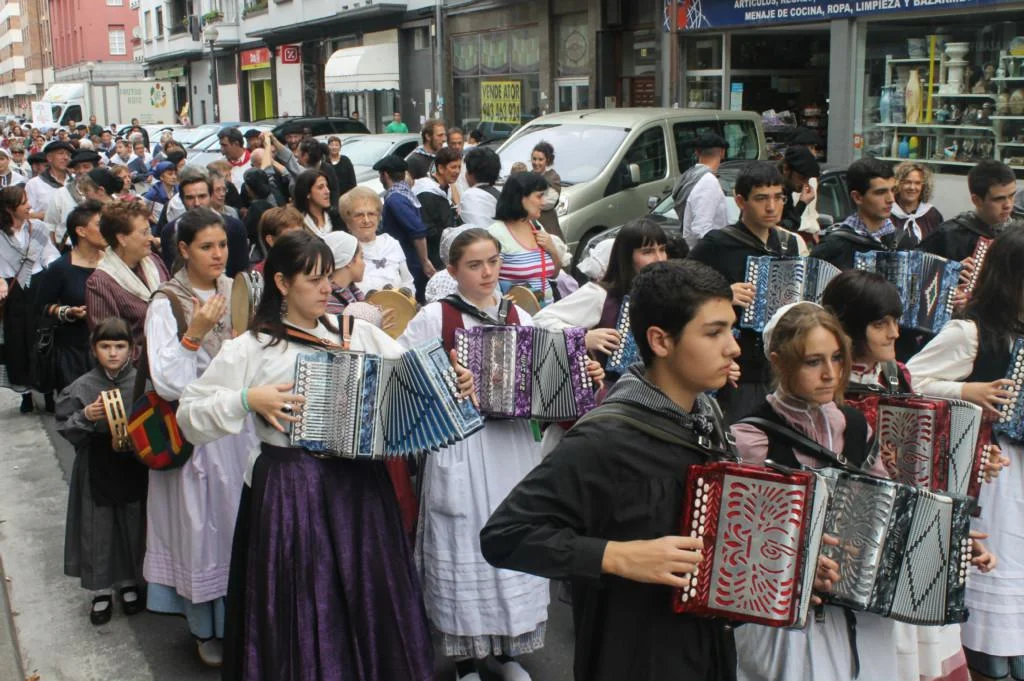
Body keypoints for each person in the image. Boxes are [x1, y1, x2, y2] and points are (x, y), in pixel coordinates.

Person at [176, 230, 446, 681]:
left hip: (360, 487)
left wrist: (451, 379)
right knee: (302, 600)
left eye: (328, 278)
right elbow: (190, 416)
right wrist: (247, 399)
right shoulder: (251, 348)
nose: (326, 289)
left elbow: (414, 376)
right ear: (282, 283)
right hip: (291, 491)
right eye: (313, 279)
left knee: (369, 593)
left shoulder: (356, 333)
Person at [480, 259, 740, 681]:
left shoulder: (706, 417)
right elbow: (505, 535)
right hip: (636, 658)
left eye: (731, 329)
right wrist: (617, 556)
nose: (733, 347)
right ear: (660, 341)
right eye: (714, 332)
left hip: (708, 651)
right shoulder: (605, 439)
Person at [401, 228, 598, 681]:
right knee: (464, 540)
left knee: (512, 535)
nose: (487, 272)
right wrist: (446, 380)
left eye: (493, 261)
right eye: (475, 265)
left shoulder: (520, 316)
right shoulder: (436, 317)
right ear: (453, 270)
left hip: (511, 447)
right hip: (462, 446)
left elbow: (548, 384)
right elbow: (404, 376)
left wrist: (580, 374)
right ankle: (466, 661)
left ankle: (508, 653)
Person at [823, 268, 1003, 681]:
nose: (894, 332)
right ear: (849, 325)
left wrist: (976, 460)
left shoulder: (896, 375)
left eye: (895, 320)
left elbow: (929, 454)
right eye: (880, 323)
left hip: (911, 532)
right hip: (856, 541)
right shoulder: (828, 385)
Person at [726, 302, 900, 680]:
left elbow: (889, 509)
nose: (830, 374)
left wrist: (943, 536)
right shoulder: (751, 437)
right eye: (812, 361)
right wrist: (800, 564)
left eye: (836, 358)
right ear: (779, 361)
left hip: (861, 617)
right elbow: (740, 546)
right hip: (785, 624)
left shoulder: (855, 425)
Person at [905, 227, 1024, 681]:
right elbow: (909, 380)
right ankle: (988, 657)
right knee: (998, 559)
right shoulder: (970, 333)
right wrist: (966, 390)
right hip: (991, 470)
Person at [143, 207, 257, 667]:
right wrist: (195, 333)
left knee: (236, 523)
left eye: (222, 245)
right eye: (207, 246)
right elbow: (167, 381)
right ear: (184, 250)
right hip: (193, 434)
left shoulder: (238, 289)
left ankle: (241, 621)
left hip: (237, 427)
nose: (217, 254)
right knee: (200, 528)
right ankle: (204, 627)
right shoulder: (166, 301)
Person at [689, 162, 801, 423]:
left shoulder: (787, 244)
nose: (772, 207)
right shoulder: (717, 244)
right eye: (761, 199)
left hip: (778, 367)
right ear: (740, 201)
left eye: (778, 197)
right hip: (736, 368)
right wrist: (722, 295)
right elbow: (678, 289)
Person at [57, 317, 148, 626]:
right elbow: (65, 427)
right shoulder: (82, 386)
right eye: (105, 346)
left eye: (119, 346)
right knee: (98, 527)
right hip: (96, 464)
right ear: (94, 349)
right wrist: (85, 415)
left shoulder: (141, 384)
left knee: (132, 522)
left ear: (132, 350)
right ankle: (101, 590)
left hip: (133, 464)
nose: (112, 353)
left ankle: (129, 582)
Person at [0, 185, 60, 412]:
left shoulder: (38, 228)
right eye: (24, 202)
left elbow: (50, 256)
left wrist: (55, 275)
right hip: (13, 292)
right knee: (18, 342)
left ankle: (48, 392)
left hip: (39, 286)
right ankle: (25, 393)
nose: (29, 206)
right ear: (9, 208)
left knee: (44, 341)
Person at [85, 200, 170, 358]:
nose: (151, 238)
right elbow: (110, 343)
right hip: (139, 367)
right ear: (122, 239)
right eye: (144, 233)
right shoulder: (101, 282)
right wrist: (158, 362)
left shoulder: (154, 261)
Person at [36, 202, 105, 393]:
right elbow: (41, 306)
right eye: (99, 224)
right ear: (81, 231)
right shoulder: (61, 268)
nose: (106, 229)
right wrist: (67, 312)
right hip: (75, 352)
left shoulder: (113, 262)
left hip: (113, 349)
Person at [811, 157, 913, 271]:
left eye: (893, 190)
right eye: (880, 192)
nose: (891, 199)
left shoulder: (904, 242)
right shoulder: (832, 247)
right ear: (857, 197)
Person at [487, 172, 564, 308]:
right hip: (518, 315)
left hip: (547, 312)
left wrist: (552, 249)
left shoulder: (536, 226)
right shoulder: (497, 233)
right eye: (539, 196)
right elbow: (489, 280)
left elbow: (553, 274)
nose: (543, 202)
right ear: (521, 197)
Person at [920, 159, 1017, 263]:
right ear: (976, 200)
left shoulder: (1018, 234)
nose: (1008, 205)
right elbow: (914, 265)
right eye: (999, 199)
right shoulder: (948, 235)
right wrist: (950, 270)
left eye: (1012, 196)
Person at [159, 175, 249, 277]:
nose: (197, 203)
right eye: (190, 198)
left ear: (211, 196)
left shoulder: (235, 227)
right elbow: (171, 272)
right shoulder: (170, 231)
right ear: (182, 200)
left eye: (202, 196)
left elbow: (242, 272)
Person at [376, 155, 433, 300]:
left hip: (409, 260)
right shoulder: (405, 192)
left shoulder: (395, 199)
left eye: (380, 175)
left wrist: (425, 261)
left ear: (385, 175)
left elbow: (417, 231)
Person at [338, 185, 414, 294]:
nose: (366, 220)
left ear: (378, 218)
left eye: (371, 214)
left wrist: (405, 295)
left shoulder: (391, 243)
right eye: (359, 215)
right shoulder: (345, 251)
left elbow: (408, 281)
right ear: (348, 222)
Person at [672, 132, 728, 248]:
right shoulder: (708, 181)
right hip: (706, 253)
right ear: (722, 153)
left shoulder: (688, 176)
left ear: (697, 152)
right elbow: (701, 229)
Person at [413, 145, 461, 269]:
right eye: (453, 167)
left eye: (459, 167)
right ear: (440, 168)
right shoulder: (426, 192)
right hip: (433, 260)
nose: (457, 171)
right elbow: (428, 230)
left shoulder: (446, 189)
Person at [45, 148, 100, 244]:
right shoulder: (61, 194)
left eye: (86, 167)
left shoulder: (105, 193)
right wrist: (54, 250)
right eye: (77, 168)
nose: (81, 171)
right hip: (68, 248)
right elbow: (50, 226)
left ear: (95, 169)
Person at [890, 161, 944, 244]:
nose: (912, 187)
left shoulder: (932, 215)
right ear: (897, 184)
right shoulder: (887, 213)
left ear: (924, 186)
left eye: (917, 183)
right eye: (907, 182)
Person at [778, 146, 820, 233]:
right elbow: (783, 230)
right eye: (802, 178)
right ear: (786, 169)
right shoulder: (773, 190)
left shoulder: (787, 191)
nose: (805, 184)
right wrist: (802, 204)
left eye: (808, 179)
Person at [25, 140, 73, 217]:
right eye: (61, 153)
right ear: (49, 158)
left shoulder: (76, 181)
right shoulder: (34, 183)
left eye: (68, 154)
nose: (66, 157)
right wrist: (50, 216)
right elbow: (27, 213)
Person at [459, 147, 502, 228]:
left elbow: (477, 230)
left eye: (466, 170)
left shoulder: (471, 195)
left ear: (471, 173)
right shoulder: (498, 194)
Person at [530, 141, 564, 241]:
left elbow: (547, 203)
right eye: (534, 159)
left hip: (547, 226)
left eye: (540, 159)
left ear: (547, 160)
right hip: (530, 226)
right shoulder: (529, 175)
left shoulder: (552, 177)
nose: (536, 163)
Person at [293, 168, 340, 238]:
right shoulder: (298, 222)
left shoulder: (336, 216)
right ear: (307, 193)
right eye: (320, 187)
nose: (327, 191)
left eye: (327, 186)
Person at [142, 161, 179, 229]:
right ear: (161, 177)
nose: (174, 177)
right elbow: (139, 204)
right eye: (170, 174)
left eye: (175, 174)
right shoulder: (154, 192)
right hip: (158, 228)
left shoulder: (178, 189)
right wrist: (151, 218)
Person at [218, 127, 251, 191]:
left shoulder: (253, 162)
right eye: (221, 145)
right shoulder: (221, 163)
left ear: (236, 144)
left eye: (224, 145)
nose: (222, 150)